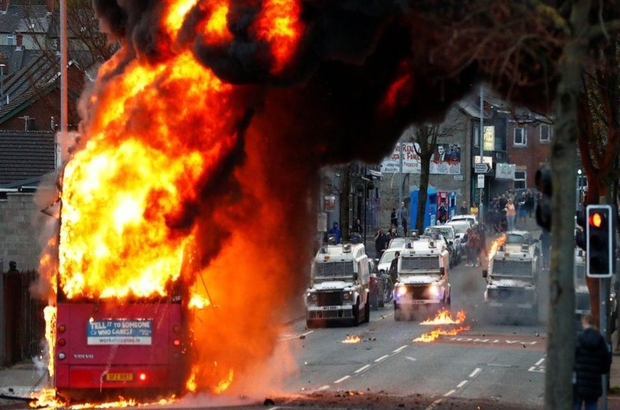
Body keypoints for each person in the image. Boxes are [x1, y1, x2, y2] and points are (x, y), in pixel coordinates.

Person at [573, 313, 611, 410]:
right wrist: (600, 370)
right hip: (594, 381)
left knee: (576, 405)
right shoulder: (600, 340)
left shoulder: (579, 339)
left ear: (584, 323)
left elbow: (572, 359)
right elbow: (606, 362)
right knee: (591, 405)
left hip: (579, 381)